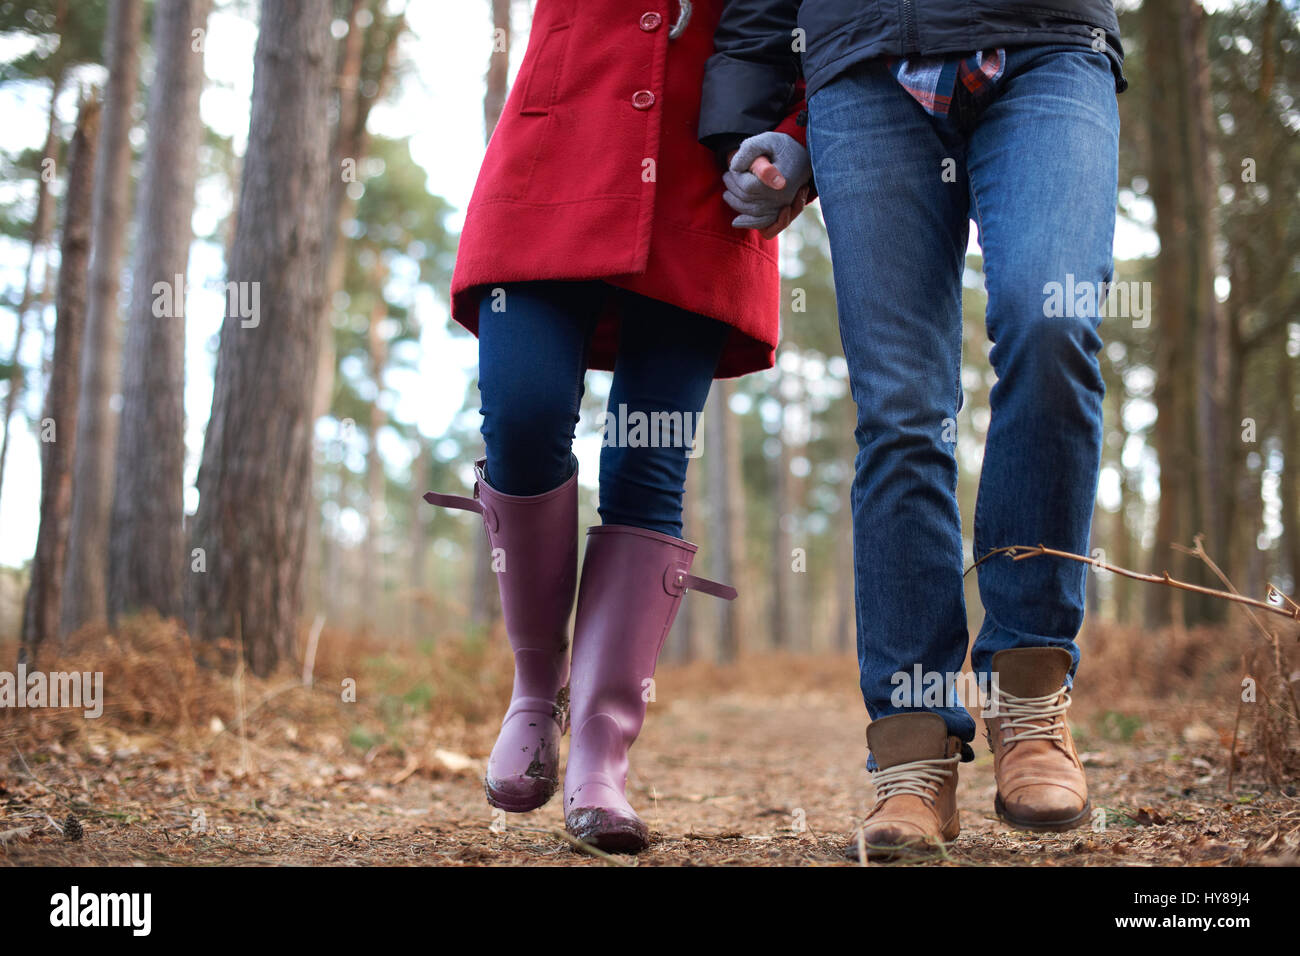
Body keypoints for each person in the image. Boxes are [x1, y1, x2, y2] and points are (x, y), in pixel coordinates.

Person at [700, 0, 1127, 858]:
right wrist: (758, 125)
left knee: (1053, 324)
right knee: (902, 411)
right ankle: (914, 749)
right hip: (860, 64)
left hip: (1045, 38)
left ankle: (1029, 698)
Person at [426, 0, 813, 853]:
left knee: (648, 461)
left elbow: (822, 21)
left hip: (703, 184)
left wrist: (797, 132)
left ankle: (601, 750)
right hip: (553, 157)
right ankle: (536, 692)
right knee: (522, 416)